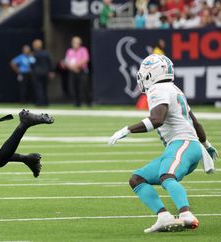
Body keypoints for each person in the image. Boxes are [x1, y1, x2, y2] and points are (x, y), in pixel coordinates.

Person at [108, 54, 218, 233]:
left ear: (152, 73)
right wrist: (206, 145)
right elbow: (195, 122)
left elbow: (157, 119)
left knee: (167, 176)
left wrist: (127, 130)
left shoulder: (158, 90)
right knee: (137, 179)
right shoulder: (173, 88)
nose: (142, 77)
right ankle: (164, 217)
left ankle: (186, 214)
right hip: (183, 146)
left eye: (144, 72)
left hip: (182, 144)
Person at [63, 36, 90, 107]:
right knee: (74, 87)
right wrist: (72, 68)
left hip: (82, 71)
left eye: (76, 42)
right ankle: (77, 103)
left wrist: (76, 66)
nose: (75, 44)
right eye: (73, 42)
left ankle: (88, 102)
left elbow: (85, 59)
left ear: (79, 43)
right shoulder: (69, 51)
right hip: (72, 71)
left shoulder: (83, 50)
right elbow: (67, 61)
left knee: (84, 86)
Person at [30, 39, 53, 107]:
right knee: (45, 88)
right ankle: (46, 102)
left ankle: (40, 102)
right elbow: (50, 63)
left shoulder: (33, 54)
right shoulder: (46, 53)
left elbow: (32, 64)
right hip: (45, 73)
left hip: (37, 73)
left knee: (38, 88)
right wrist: (51, 71)